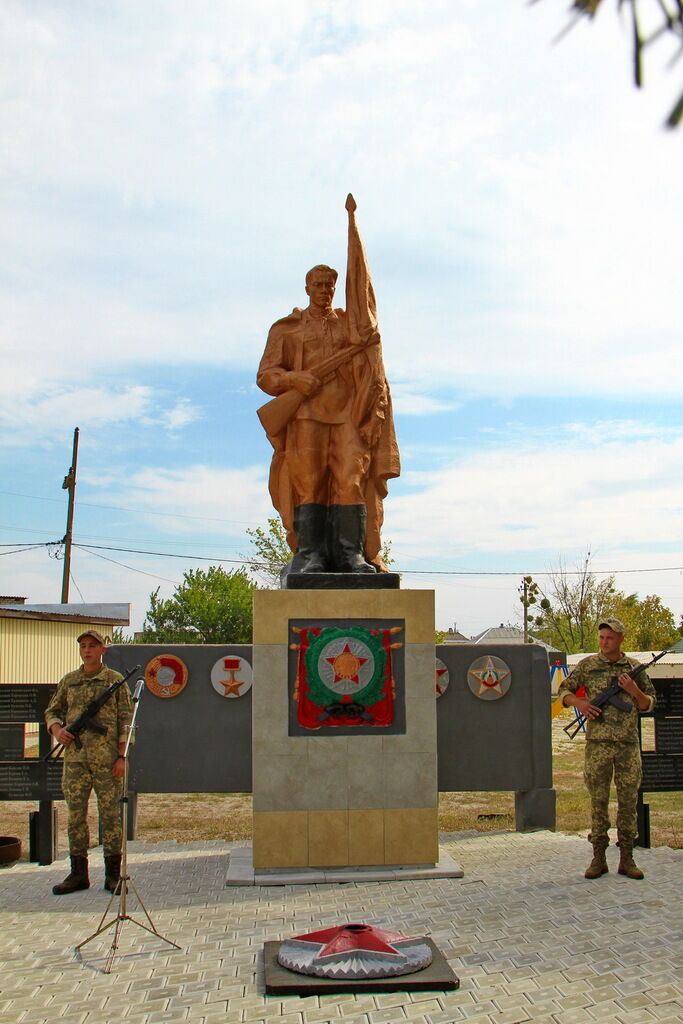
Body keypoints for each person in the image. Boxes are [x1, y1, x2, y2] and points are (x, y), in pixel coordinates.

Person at [256, 198, 400, 575]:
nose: (324, 290)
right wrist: (294, 379)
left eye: (330, 285)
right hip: (305, 415)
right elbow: (266, 376)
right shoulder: (285, 329)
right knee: (310, 484)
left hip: (347, 416)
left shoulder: (349, 327)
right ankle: (311, 555)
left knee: (351, 479)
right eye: (318, 284)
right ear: (306, 287)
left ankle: (351, 554)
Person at [558, 617, 656, 880]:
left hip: (627, 745)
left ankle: (627, 858)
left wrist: (633, 690)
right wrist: (581, 704)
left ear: (621, 639)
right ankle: (598, 858)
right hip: (598, 745)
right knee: (598, 801)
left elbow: (649, 704)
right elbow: (563, 690)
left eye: (610, 638)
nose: (604, 642)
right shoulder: (588, 665)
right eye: (602, 638)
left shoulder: (634, 668)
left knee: (628, 802)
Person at [45, 630, 133, 894]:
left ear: (102, 650)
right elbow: (52, 710)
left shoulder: (114, 681)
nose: (87, 650)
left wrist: (121, 756)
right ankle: (78, 874)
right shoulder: (70, 681)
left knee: (110, 817)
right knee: (75, 817)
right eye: (83, 646)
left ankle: (113, 875)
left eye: (92, 646)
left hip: (107, 762)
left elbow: (125, 722)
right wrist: (57, 730)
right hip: (75, 761)